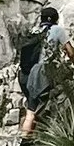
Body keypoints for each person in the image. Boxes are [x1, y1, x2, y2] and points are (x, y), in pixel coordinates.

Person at [17, 7, 64, 136]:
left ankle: (31, 136)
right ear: (56, 19)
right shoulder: (57, 30)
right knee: (31, 112)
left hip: (24, 74)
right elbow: (71, 52)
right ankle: (25, 141)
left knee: (33, 106)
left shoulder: (34, 32)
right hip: (39, 75)